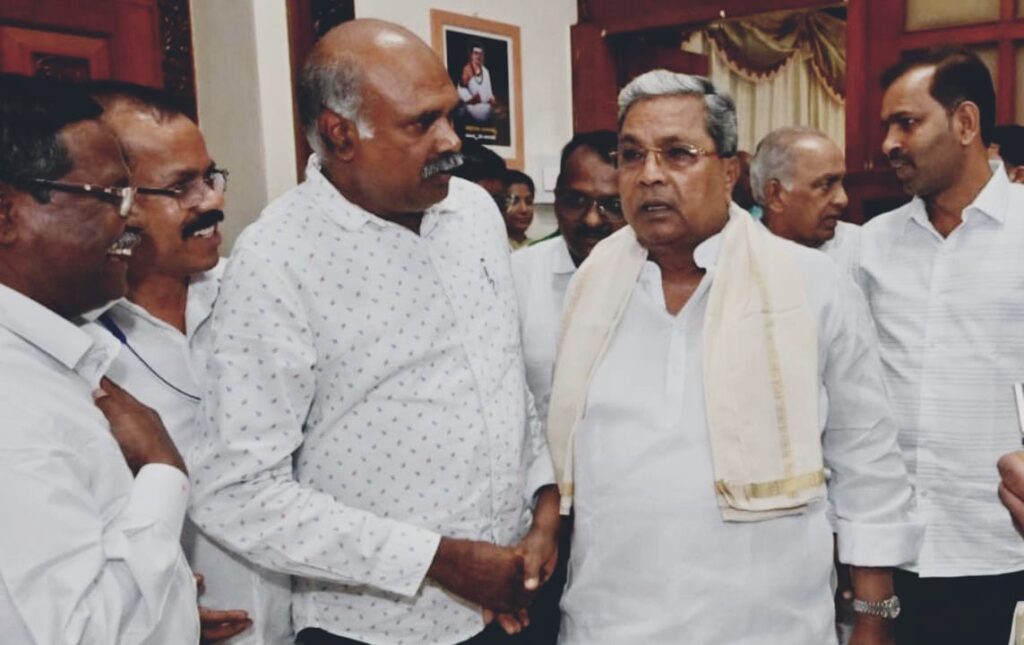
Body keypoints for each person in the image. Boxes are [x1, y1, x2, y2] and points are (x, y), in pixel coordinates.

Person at [188, 19, 559, 645]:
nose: (451, 140)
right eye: (422, 123)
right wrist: (437, 561)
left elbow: (500, 380)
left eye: (451, 114)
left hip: (512, 602)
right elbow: (235, 491)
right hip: (376, 628)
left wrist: (542, 506)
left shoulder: (472, 212)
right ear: (341, 134)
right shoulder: (278, 257)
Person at [547, 69, 920, 644]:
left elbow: (866, 457)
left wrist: (873, 616)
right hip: (608, 623)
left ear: (729, 171)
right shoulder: (590, 288)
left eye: (678, 153)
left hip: (770, 627)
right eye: (632, 155)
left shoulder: (811, 286)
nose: (650, 174)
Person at [88, 80, 293, 644]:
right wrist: (158, 613)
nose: (212, 202)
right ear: (115, 199)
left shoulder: (261, 294)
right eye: (181, 188)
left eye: (211, 177)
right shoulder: (79, 343)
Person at [0, 73, 199, 642]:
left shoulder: (52, 357)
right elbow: (81, 633)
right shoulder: (12, 400)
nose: (132, 218)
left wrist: (176, 604)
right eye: (111, 195)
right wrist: (162, 472)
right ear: (6, 215)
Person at [862, 46, 1024, 644]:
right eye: (887, 126)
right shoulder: (871, 247)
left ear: (965, 123)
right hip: (895, 560)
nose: (889, 144)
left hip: (1005, 554)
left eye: (907, 122)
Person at [511, 130, 621, 424]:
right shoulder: (518, 276)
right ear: (556, 198)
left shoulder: (657, 279)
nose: (592, 219)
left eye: (613, 206)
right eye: (577, 201)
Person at [751, 126, 859, 275]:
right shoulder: (736, 259)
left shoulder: (861, 250)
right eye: (826, 185)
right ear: (775, 195)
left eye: (842, 183)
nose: (843, 199)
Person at [459, 41, 499, 123]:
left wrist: (492, 100)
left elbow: (489, 94)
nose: (479, 56)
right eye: (476, 53)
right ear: (471, 55)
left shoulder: (486, 72)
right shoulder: (466, 70)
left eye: (481, 54)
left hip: (486, 110)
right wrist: (471, 100)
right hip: (470, 111)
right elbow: (461, 93)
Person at [504, 169, 535, 249]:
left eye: (528, 201)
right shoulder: (493, 246)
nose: (524, 209)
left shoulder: (538, 247)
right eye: (514, 202)